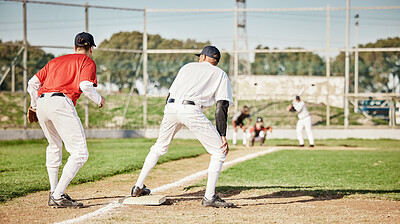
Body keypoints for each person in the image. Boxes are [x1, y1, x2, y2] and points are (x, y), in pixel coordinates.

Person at [131, 46, 234, 208]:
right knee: (219, 151)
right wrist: (222, 135)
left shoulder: (187, 67)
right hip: (191, 109)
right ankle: (209, 197)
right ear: (215, 61)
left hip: (171, 107)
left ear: (203, 57)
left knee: (159, 146)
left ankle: (138, 186)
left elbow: (170, 94)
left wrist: (168, 112)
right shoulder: (220, 73)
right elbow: (221, 105)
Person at [27, 32, 105, 207]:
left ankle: (54, 192)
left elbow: (32, 83)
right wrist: (100, 100)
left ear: (75, 47)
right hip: (61, 102)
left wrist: (34, 105)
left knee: (54, 146)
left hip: (43, 103)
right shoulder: (87, 61)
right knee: (80, 153)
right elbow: (85, 86)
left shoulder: (56, 61)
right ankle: (58, 195)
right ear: (91, 48)